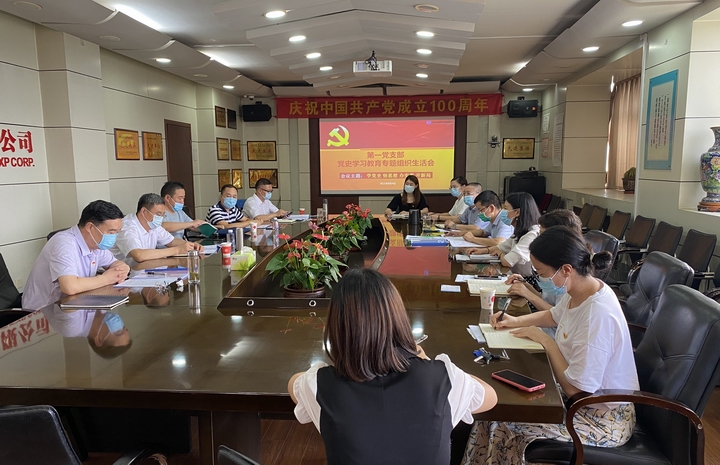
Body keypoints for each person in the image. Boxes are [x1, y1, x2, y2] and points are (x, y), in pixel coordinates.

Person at [462, 226, 638, 464]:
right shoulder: (582, 288)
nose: (539, 278)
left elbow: (576, 390)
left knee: (505, 425)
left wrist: (546, 341)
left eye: (542, 273)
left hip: (599, 418)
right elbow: (554, 315)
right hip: (578, 402)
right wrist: (514, 321)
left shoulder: (597, 315)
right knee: (490, 416)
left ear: (566, 269)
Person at [290, 268, 497, 465]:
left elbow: (294, 383)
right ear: (398, 319)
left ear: (338, 328)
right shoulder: (443, 378)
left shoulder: (319, 385)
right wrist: (425, 358)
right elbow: (489, 396)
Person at [22, 200, 130, 311]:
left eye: (117, 232)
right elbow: (70, 287)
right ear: (90, 227)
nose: (114, 237)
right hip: (43, 312)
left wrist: (122, 268)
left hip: (76, 304)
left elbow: (113, 263)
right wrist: (107, 279)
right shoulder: (64, 244)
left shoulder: (96, 243)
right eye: (111, 232)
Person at [505, 209, 585, 312]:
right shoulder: (552, 261)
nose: (539, 239)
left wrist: (528, 294)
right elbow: (546, 300)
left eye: (543, 234)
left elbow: (558, 315)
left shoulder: (566, 272)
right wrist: (526, 285)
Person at [111, 193, 202, 263]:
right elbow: (139, 255)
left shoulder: (153, 224)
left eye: (163, 214)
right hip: (124, 275)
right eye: (158, 214)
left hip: (144, 270)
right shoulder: (127, 227)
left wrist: (190, 245)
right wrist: (177, 250)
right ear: (144, 211)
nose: (161, 218)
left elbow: (171, 241)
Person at [467, 192, 540, 276]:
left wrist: (501, 254)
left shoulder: (532, 234)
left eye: (505, 208)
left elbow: (507, 262)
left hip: (526, 279)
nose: (502, 212)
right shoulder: (520, 231)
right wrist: (483, 251)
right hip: (515, 275)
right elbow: (502, 246)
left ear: (517, 212)